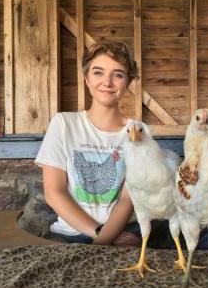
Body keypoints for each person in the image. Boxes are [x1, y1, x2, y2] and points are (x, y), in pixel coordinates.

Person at [35, 41, 142, 246]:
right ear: (86, 78)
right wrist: (100, 235)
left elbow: (129, 199)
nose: (107, 82)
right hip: (71, 233)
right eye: (98, 72)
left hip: (125, 230)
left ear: (127, 82)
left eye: (118, 74)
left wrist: (106, 238)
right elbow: (54, 192)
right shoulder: (64, 123)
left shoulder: (138, 132)